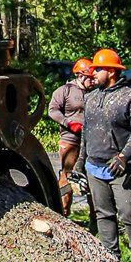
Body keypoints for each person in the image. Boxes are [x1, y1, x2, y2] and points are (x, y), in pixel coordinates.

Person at [80, 47, 131, 259]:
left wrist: (123, 156)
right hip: (95, 166)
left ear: (111, 71)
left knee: (129, 213)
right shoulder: (91, 98)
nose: (93, 73)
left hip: (123, 169)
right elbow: (86, 131)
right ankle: (111, 257)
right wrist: (80, 163)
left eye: (97, 69)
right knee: (104, 214)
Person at [49, 58, 94, 215]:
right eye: (90, 78)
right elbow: (52, 110)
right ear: (81, 76)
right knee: (67, 176)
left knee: (92, 178)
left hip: (91, 142)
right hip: (70, 140)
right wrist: (68, 123)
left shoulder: (94, 92)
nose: (93, 81)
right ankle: (63, 211)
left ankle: (95, 216)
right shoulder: (65, 91)